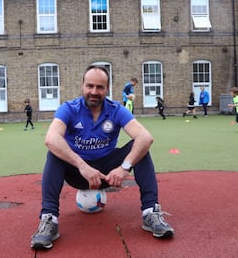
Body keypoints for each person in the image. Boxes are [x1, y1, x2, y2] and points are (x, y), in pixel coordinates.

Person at [30, 65, 174, 250]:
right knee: (55, 152)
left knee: (140, 147)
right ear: (82, 85)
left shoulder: (116, 110)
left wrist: (124, 167)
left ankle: (150, 212)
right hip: (77, 172)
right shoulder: (69, 109)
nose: (94, 91)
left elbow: (145, 137)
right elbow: (51, 138)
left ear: (107, 89)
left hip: (106, 173)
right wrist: (82, 166)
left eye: (100, 87)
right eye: (90, 86)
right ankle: (49, 219)